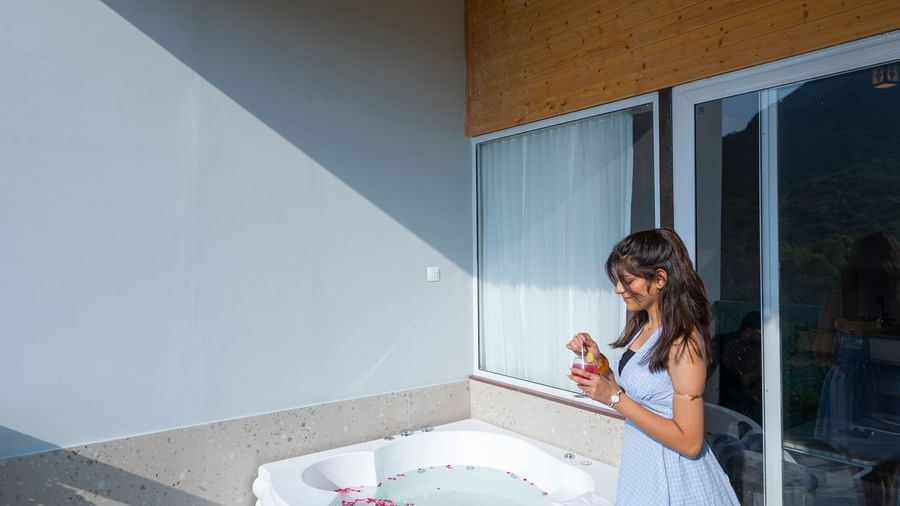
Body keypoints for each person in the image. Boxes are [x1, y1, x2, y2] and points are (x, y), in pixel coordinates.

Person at [567, 228, 739, 505]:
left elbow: (690, 442)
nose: (618, 289)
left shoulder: (682, 342)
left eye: (628, 280)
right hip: (644, 465)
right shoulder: (644, 326)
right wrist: (597, 362)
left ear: (660, 279)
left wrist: (612, 398)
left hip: (674, 476)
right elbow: (635, 392)